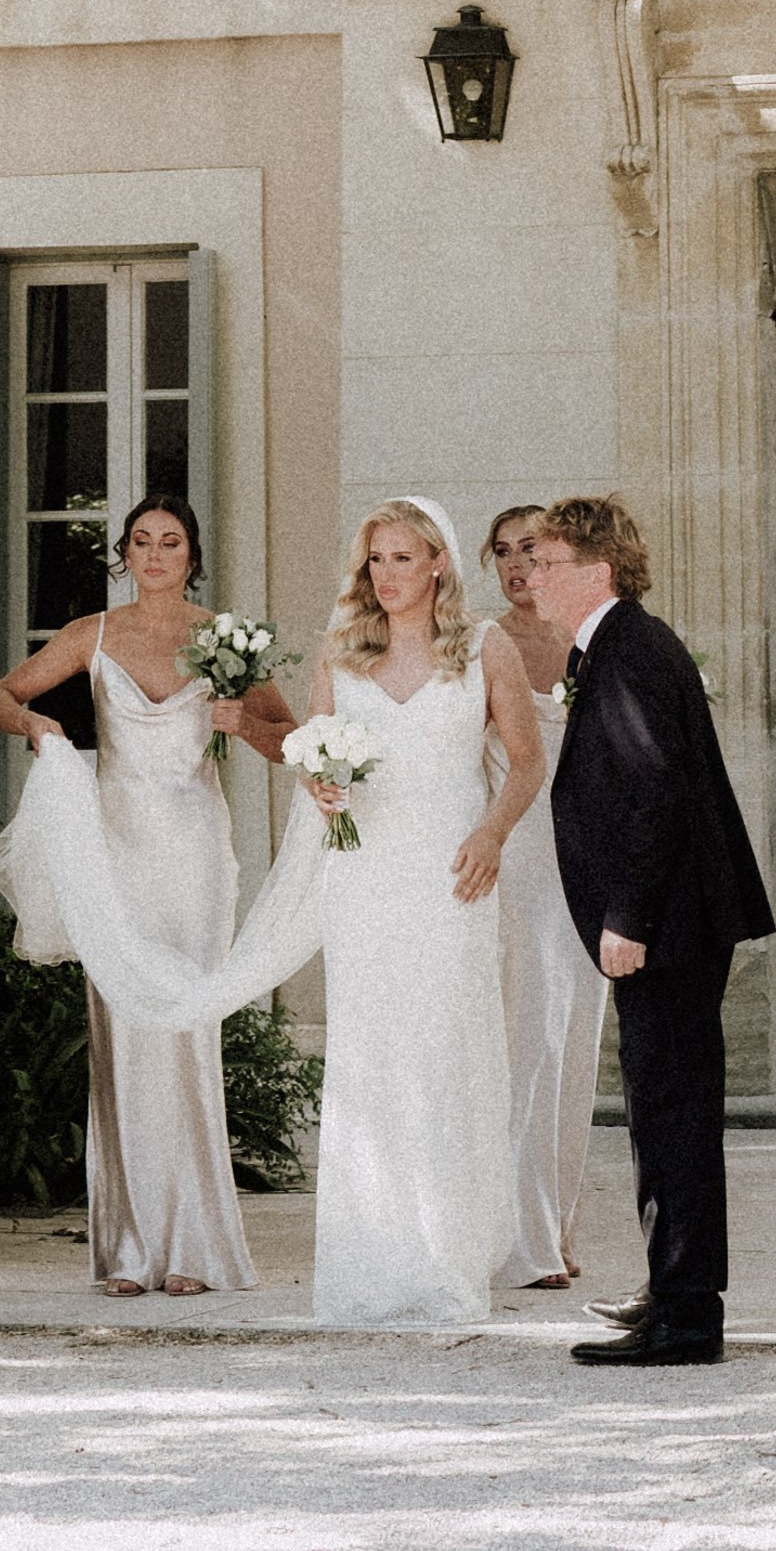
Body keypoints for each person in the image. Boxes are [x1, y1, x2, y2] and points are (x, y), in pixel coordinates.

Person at [0, 494, 284, 1295]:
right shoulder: (95, 633)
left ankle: (193, 1247)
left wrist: (243, 722)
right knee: (122, 1036)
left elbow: (292, 741)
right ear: (124, 553)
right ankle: (131, 1250)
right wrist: (38, 727)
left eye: (171, 541)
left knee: (186, 1034)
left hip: (195, 855)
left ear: (192, 554)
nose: (155, 554)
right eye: (141, 541)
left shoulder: (226, 636)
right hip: (117, 854)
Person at [283, 495, 542, 1327]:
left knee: (446, 1052)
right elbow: (315, 758)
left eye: (401, 558)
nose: (385, 575)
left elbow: (528, 764)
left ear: (437, 562)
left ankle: (445, 1258)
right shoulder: (340, 651)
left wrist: (492, 834)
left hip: (451, 877)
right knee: (372, 1059)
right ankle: (369, 1263)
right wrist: (319, 785)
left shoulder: (485, 648)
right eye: (375, 560)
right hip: (364, 879)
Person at [524, 492, 770, 1369]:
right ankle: (674, 1291)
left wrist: (625, 915)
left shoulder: (625, 649)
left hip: (664, 922)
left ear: (597, 569)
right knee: (662, 1110)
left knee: (671, 1111)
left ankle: (687, 1316)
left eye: (544, 561)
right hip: (673, 919)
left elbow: (655, 790)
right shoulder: (620, 643)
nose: (528, 575)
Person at [480, 502, 607, 1293]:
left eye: (530, 547)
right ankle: (518, 1238)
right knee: (525, 1041)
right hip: (520, 864)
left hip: (587, 864)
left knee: (576, 1046)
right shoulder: (483, 644)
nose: (516, 563)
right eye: (501, 551)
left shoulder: (588, 639)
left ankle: (555, 1225)